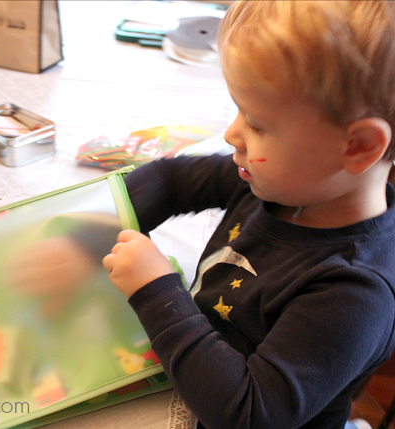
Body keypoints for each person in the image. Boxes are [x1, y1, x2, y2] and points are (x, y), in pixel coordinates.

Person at [102, 1, 395, 428]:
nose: (231, 133)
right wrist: (86, 227)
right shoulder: (284, 180)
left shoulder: (353, 294)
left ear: (358, 146)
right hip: (193, 370)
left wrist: (157, 293)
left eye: (257, 123)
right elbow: (169, 181)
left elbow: (249, 412)